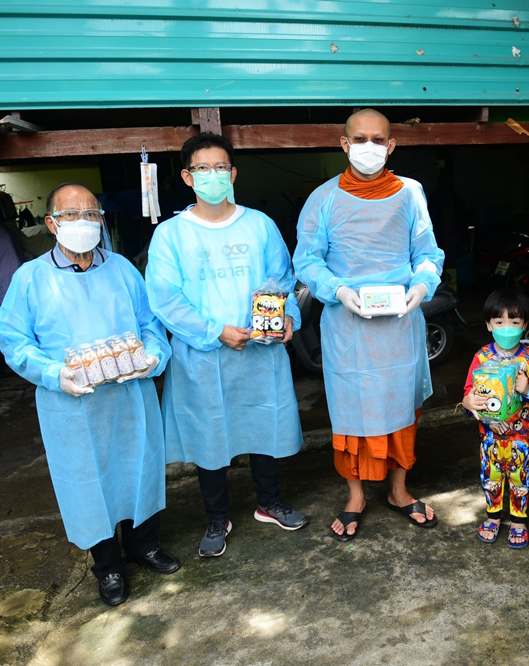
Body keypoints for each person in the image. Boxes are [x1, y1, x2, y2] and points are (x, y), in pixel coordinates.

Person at [0, 183, 178, 606]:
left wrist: (153, 354)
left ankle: (143, 545)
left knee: (140, 468)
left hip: (131, 394)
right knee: (87, 480)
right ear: (51, 223)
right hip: (72, 405)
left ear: (101, 221)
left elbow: (150, 323)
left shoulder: (122, 270)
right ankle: (108, 565)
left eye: (91, 214)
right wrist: (55, 373)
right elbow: (13, 339)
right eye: (72, 215)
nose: (83, 223)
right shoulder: (31, 278)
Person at [146, 132, 307, 559]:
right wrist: (215, 330)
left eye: (220, 167)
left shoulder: (259, 225)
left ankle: (268, 502)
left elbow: (283, 279)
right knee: (208, 432)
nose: (213, 175)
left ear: (233, 173)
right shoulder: (171, 235)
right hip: (203, 356)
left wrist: (286, 315)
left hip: (260, 351)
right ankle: (218, 516)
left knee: (263, 423)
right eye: (203, 168)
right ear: (186, 176)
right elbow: (164, 298)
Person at [293, 108, 445, 541]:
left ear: (392, 145)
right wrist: (338, 291)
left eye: (379, 139)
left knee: (401, 407)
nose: (369, 148)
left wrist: (422, 284)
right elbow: (306, 259)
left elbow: (428, 252)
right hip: (348, 326)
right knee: (351, 411)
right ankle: (356, 495)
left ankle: (398, 490)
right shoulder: (323, 198)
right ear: (344, 144)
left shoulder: (411, 193)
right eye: (360, 139)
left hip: (400, 324)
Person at [461, 289, 529, 548]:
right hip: (489, 434)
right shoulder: (481, 357)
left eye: (515, 322)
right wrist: (468, 403)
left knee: (519, 477)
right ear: (489, 325)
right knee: (491, 476)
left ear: (524, 325)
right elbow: (469, 392)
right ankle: (493, 517)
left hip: (521, 434)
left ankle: (519, 521)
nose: (507, 328)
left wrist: (527, 389)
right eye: (499, 322)